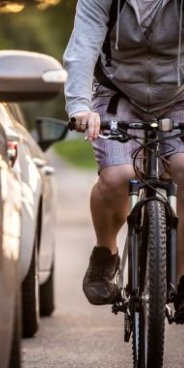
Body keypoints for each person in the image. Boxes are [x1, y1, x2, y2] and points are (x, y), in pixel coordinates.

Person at [63, 0, 184, 318]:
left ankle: (182, 279)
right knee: (117, 176)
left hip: (178, 96)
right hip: (117, 94)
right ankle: (106, 253)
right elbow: (83, 46)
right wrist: (79, 106)